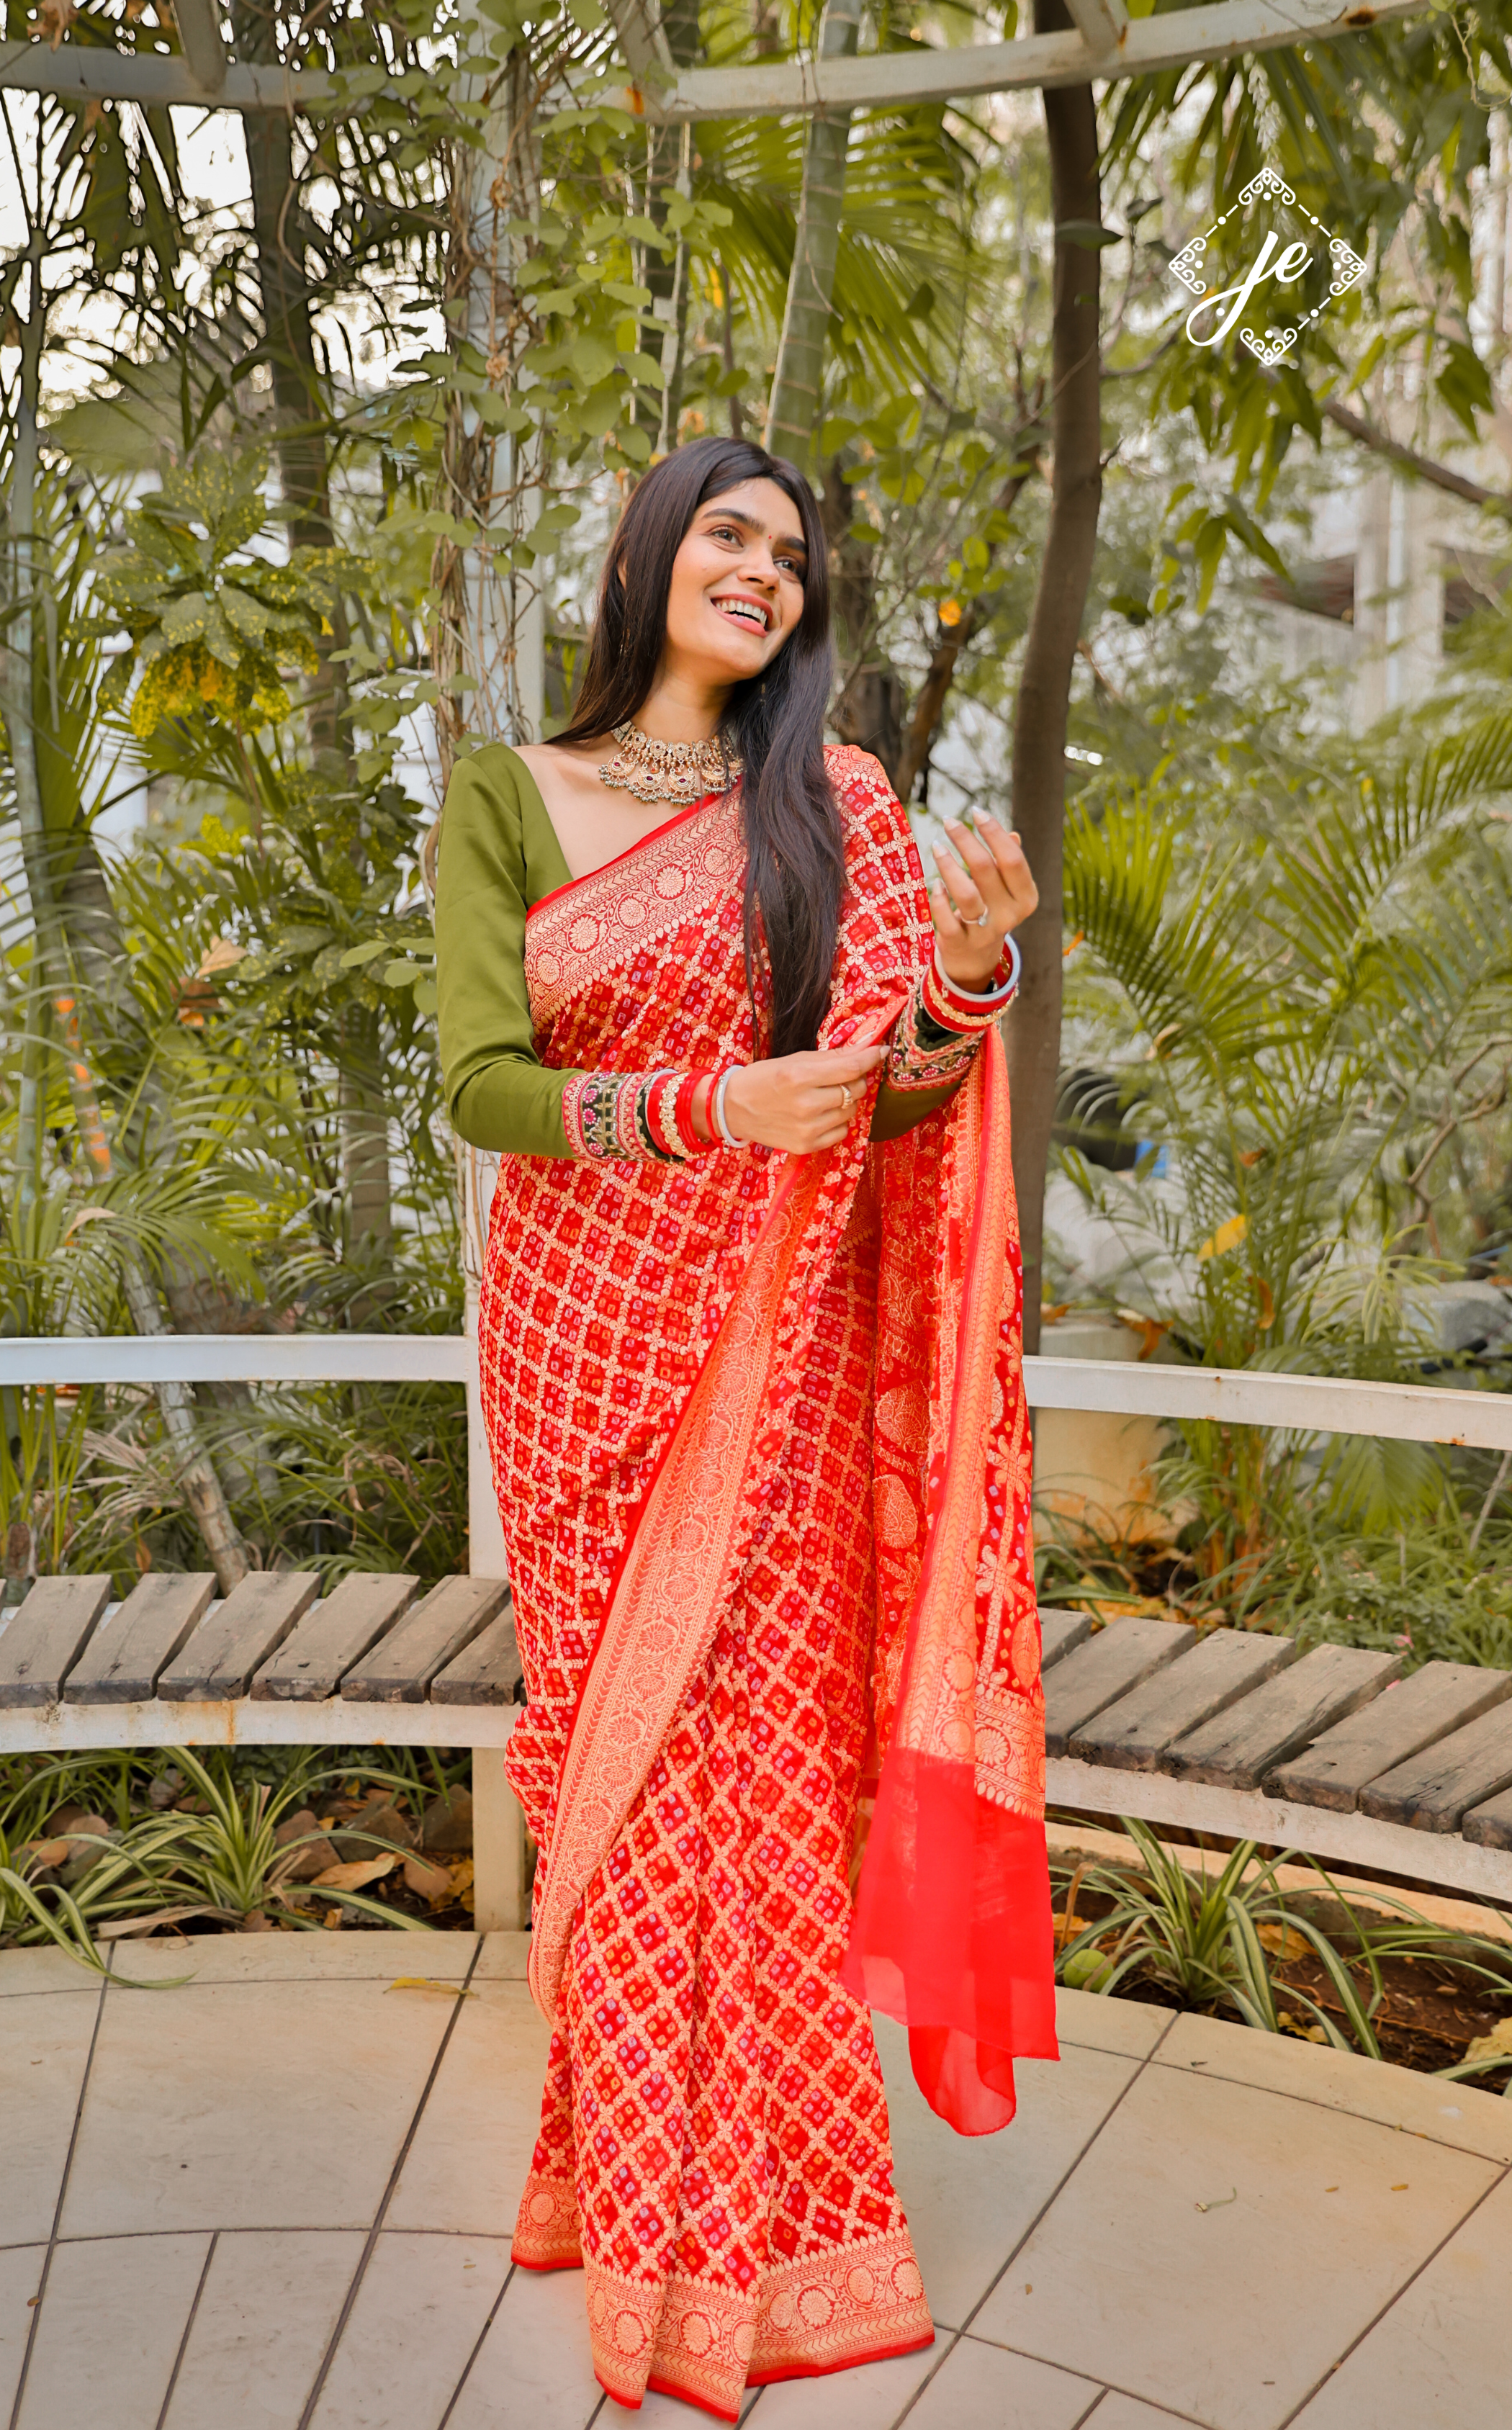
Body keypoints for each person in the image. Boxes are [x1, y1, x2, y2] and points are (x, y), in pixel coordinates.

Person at [433, 435, 1057, 2421]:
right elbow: (478, 1081)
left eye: (792, 555)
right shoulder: (509, 793)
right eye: (730, 532)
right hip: (582, 1351)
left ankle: (772, 2236)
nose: (765, 570)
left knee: (762, 1780)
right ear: (651, 550)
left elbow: (886, 1098)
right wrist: (705, 1107)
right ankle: (631, 2197)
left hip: (775, 1360)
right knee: (612, 1789)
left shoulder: (832, 802)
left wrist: (966, 976)